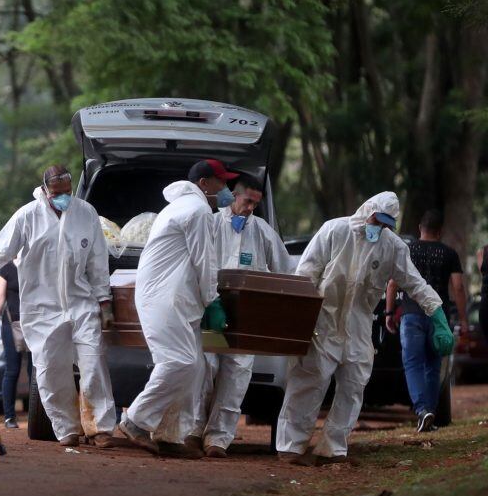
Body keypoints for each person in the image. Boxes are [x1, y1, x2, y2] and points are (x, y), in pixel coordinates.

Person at [276, 192, 450, 465]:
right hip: (324, 319)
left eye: (385, 224)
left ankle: (332, 448)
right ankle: (291, 447)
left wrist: (437, 313)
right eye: (376, 220)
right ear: (366, 210)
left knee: (354, 384)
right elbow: (306, 274)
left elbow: (414, 283)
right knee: (309, 380)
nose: (378, 228)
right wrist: (297, 317)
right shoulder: (335, 230)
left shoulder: (392, 247)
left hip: (358, 324)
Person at [0, 165, 117, 448]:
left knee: (93, 362)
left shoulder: (86, 213)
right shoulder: (28, 216)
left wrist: (104, 301)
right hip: (42, 308)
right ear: (45, 190)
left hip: (81, 302)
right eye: (57, 193)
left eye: (68, 192)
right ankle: (67, 428)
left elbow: (97, 263)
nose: (63, 198)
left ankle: (101, 428)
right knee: (50, 370)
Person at [119, 159, 236, 458]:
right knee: (181, 363)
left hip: (175, 298)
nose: (226, 189)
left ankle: (171, 436)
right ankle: (135, 419)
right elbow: (204, 260)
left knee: (194, 369)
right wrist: (213, 300)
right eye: (221, 182)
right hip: (166, 298)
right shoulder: (196, 211)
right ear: (204, 184)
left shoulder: (182, 207)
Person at [188, 174, 292, 458]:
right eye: (247, 202)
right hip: (213, 311)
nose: (250, 209)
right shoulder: (210, 223)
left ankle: (218, 439)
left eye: (255, 204)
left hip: (247, 316)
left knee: (238, 373)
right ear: (235, 196)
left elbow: (285, 269)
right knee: (206, 368)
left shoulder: (262, 230)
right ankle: (194, 431)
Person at [385, 210, 467, 432]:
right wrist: (463, 319)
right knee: (433, 366)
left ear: (420, 228)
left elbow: (393, 283)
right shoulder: (449, 253)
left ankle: (422, 411)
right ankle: (429, 410)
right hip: (439, 317)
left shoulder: (408, 250)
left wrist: (389, 313)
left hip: (411, 314)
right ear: (440, 232)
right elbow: (458, 287)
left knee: (412, 364)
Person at [0, 260, 32, 429]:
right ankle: (9, 416)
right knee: (12, 370)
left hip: (35, 324)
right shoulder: (6, 268)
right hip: (11, 324)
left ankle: (37, 416)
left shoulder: (36, 263)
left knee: (36, 371)